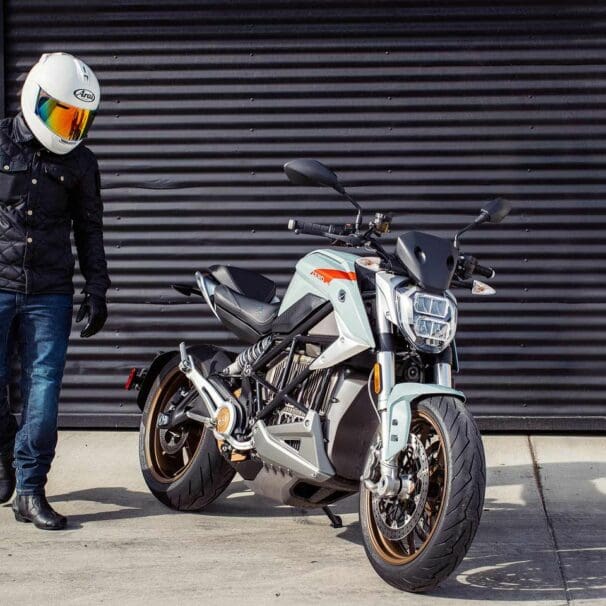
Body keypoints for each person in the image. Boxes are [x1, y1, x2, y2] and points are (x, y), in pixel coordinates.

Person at [0, 53, 110, 530]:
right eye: (61, 113)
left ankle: (30, 488)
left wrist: (98, 289)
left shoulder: (82, 162)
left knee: (43, 389)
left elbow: (90, 229)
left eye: (77, 117)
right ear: (35, 99)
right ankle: (5, 449)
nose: (69, 126)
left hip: (51, 291)